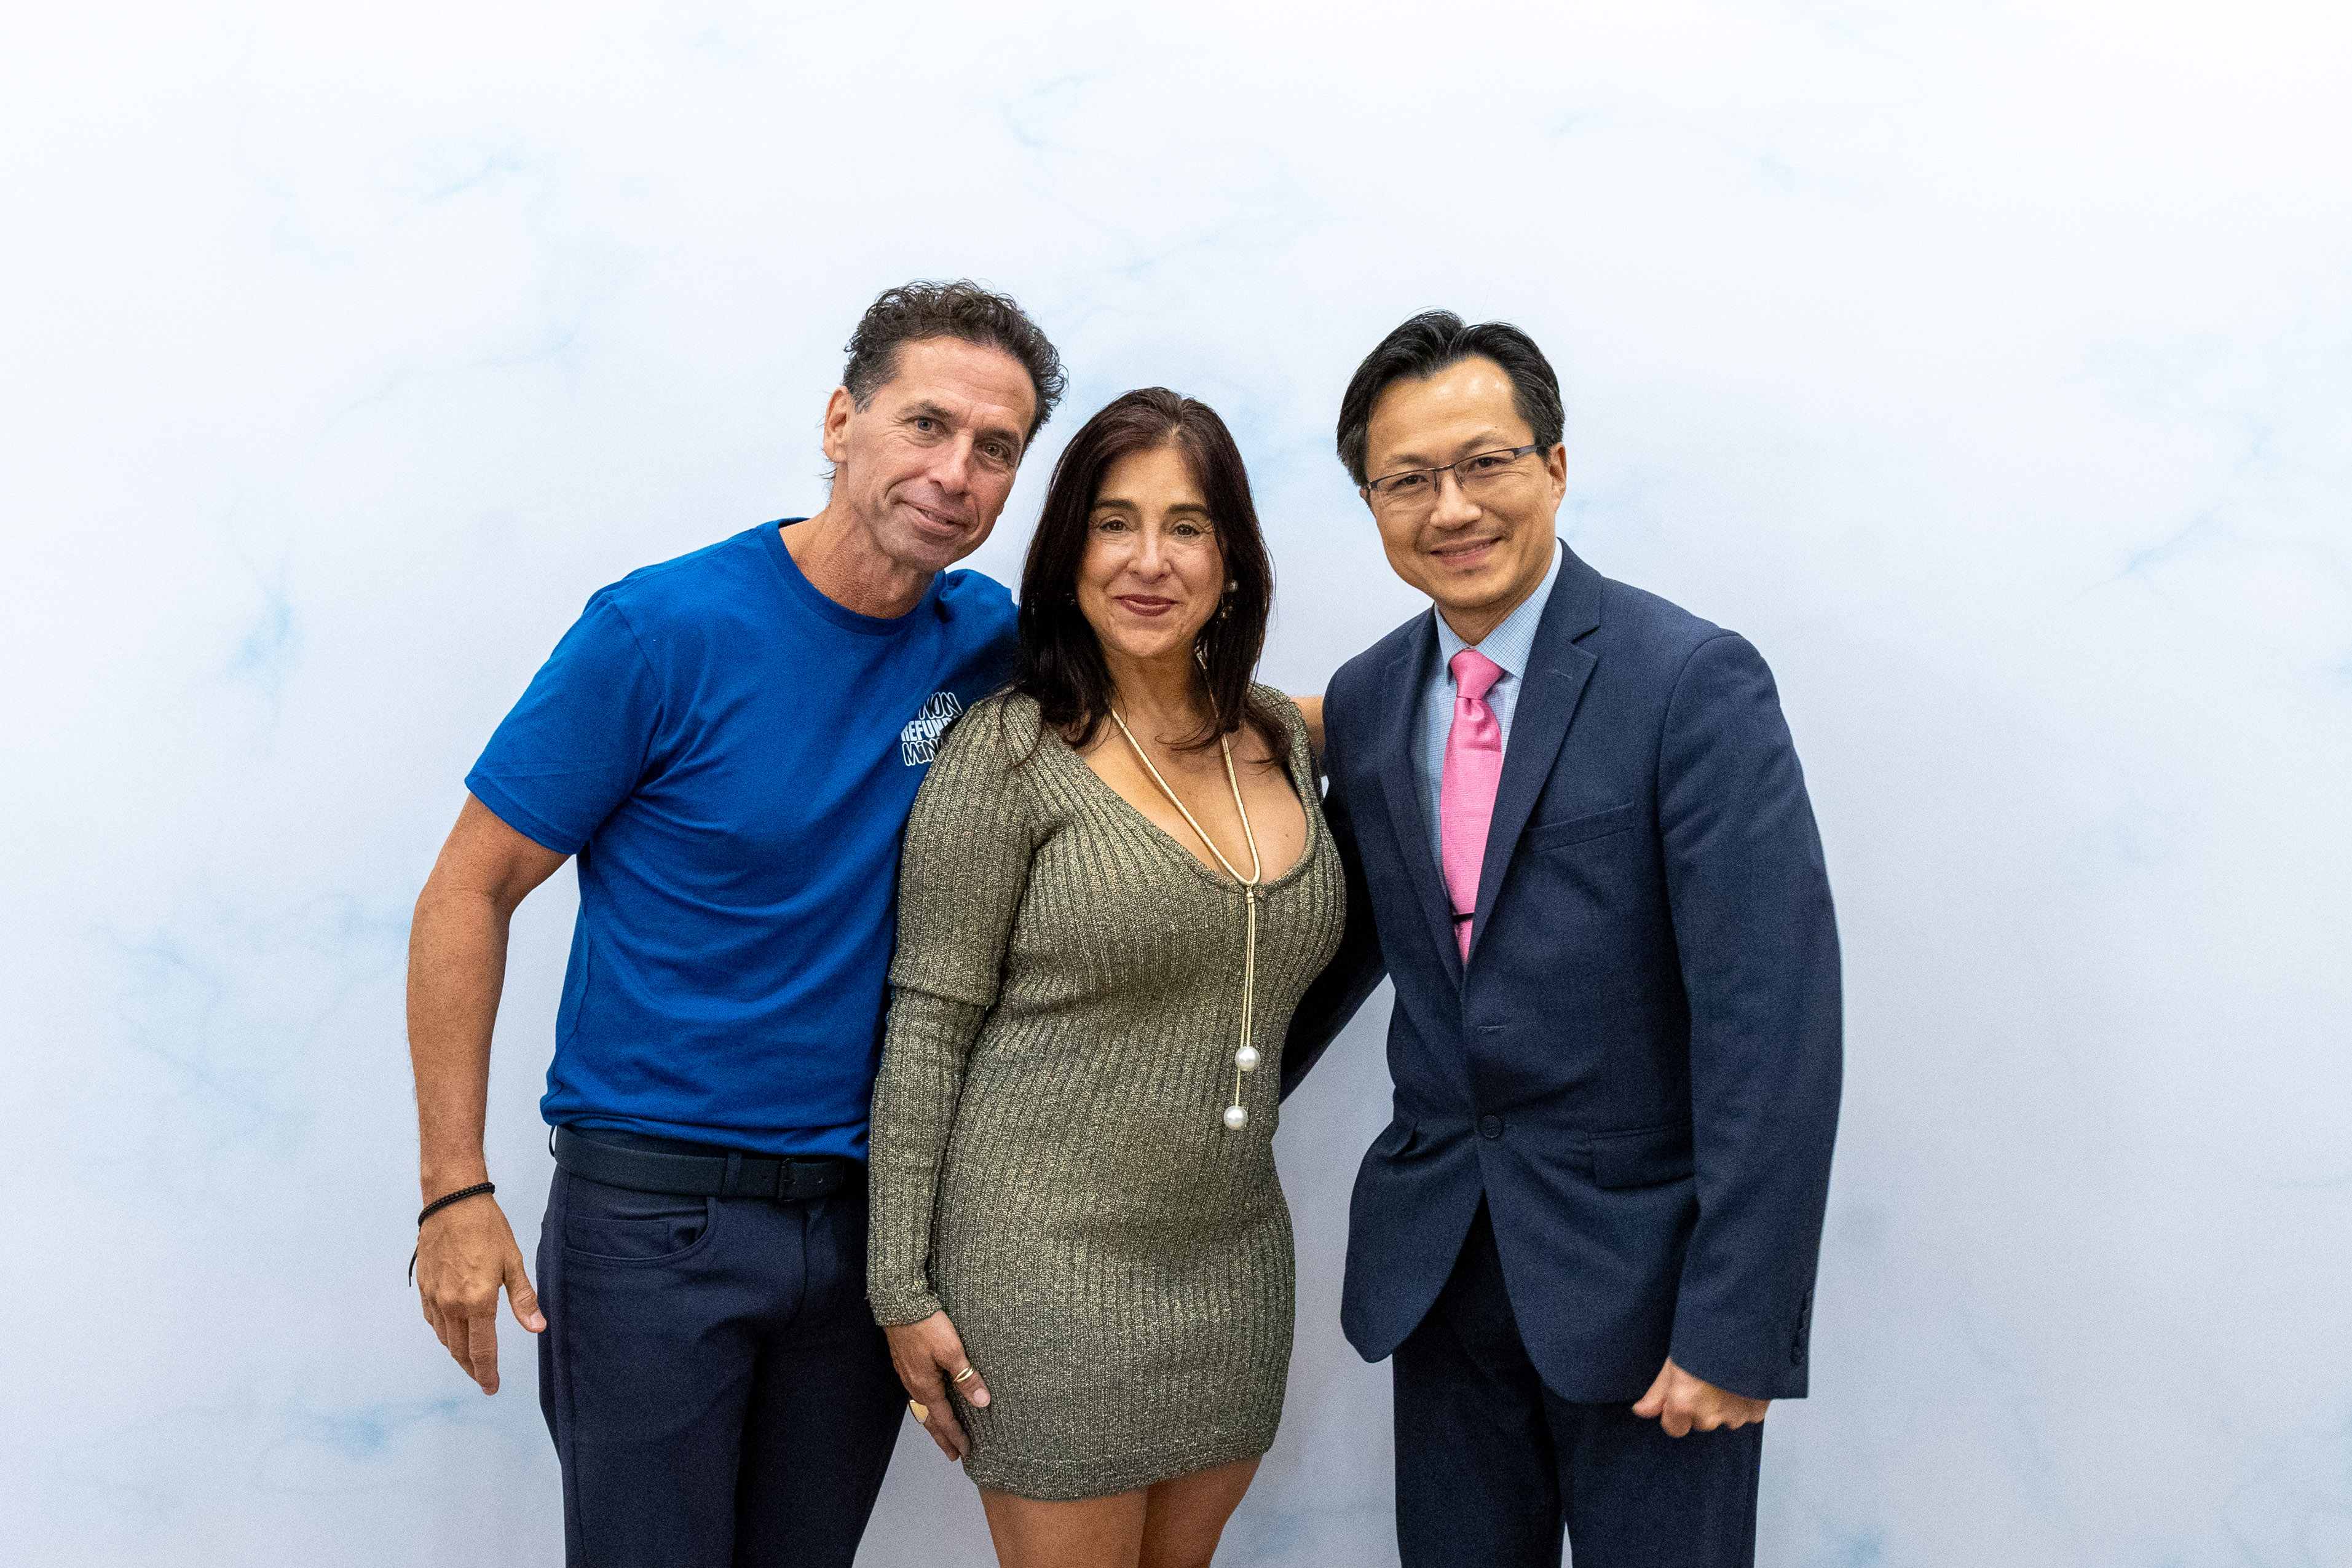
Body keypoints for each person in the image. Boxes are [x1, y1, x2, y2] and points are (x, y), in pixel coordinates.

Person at [402, 280, 1065, 1568]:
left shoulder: (985, 640)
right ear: (840, 422)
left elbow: (1169, 702)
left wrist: (1365, 718)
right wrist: (453, 1191)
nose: (955, 472)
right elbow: (466, 891)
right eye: (926, 424)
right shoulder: (660, 631)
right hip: (655, 1222)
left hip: (870, 1231)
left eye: (995, 448)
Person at [1283, 311, 1843, 1568]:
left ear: (1554, 465)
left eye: (1483, 463)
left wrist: (1737, 1327)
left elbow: (1772, 1021)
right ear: (1370, 502)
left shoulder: (1689, 681)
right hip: (1438, 1272)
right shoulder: (1367, 697)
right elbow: (1329, 949)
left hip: (1651, 1290)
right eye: (1407, 479)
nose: (1450, 507)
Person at [866, 388, 1344, 1568]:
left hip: (1234, 1260)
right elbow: (927, 1026)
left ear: (1231, 559)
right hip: (1040, 1267)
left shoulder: (1280, 738)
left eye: (1186, 526)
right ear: (1066, 552)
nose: (1148, 561)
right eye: (1112, 523)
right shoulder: (1008, 751)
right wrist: (899, 1289)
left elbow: (1438, 709)